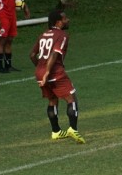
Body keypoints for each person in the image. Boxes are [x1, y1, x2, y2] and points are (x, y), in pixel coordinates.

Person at [29, 9, 86, 144]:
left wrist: (41, 70)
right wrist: (48, 72)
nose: (68, 20)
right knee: (71, 99)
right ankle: (73, 128)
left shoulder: (43, 34)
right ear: (58, 22)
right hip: (55, 72)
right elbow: (54, 54)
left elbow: (32, 55)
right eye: (65, 19)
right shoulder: (61, 35)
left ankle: (56, 131)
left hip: (40, 72)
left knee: (52, 99)